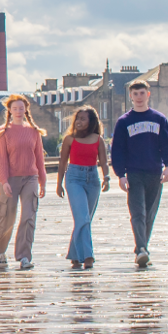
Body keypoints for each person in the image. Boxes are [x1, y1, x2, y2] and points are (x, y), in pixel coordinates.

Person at [111, 80, 168, 268]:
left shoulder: (159, 119)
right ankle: (141, 250)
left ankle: (142, 246)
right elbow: (117, 150)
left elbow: (166, 144)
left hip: (155, 173)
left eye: (142, 93)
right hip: (134, 173)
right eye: (135, 94)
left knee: (149, 213)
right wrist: (120, 174)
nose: (139, 97)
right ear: (130, 96)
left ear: (148, 94)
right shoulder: (124, 122)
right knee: (137, 212)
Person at [0, 94, 46, 270]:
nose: (19, 111)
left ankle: (24, 256)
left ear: (26, 109)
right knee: (7, 215)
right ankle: (0, 251)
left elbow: (39, 159)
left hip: (31, 177)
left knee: (28, 217)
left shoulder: (34, 131)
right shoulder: (3, 132)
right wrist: (4, 180)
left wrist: (42, 181)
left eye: (21, 108)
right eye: (15, 108)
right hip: (11, 178)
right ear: (10, 111)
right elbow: (1, 160)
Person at [56, 106, 111, 269]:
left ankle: (74, 254)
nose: (79, 122)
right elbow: (62, 162)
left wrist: (106, 178)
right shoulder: (69, 139)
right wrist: (58, 184)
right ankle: (88, 256)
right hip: (74, 179)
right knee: (82, 218)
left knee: (85, 219)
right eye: (77, 118)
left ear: (91, 122)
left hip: (92, 179)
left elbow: (103, 161)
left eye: (83, 119)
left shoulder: (98, 139)